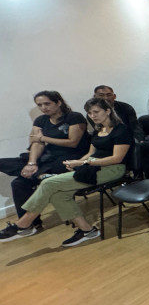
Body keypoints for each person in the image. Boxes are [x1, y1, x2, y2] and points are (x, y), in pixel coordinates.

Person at [0, 98, 131, 246]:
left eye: (96, 112)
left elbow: (116, 158)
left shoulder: (121, 130)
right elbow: (90, 153)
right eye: (89, 113)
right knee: (58, 195)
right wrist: (76, 163)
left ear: (107, 111)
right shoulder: (99, 130)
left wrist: (83, 163)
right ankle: (87, 231)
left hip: (112, 169)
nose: (93, 116)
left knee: (48, 183)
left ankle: (23, 225)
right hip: (92, 166)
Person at [0, 91, 89, 233]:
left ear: (58, 102)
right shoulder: (40, 120)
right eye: (40, 105)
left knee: (27, 177)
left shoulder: (74, 117)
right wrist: (31, 164)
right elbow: (35, 143)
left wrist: (43, 138)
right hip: (47, 158)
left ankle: (41, 176)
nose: (43, 108)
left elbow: (73, 142)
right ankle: (31, 224)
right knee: (17, 182)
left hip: (71, 158)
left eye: (47, 103)